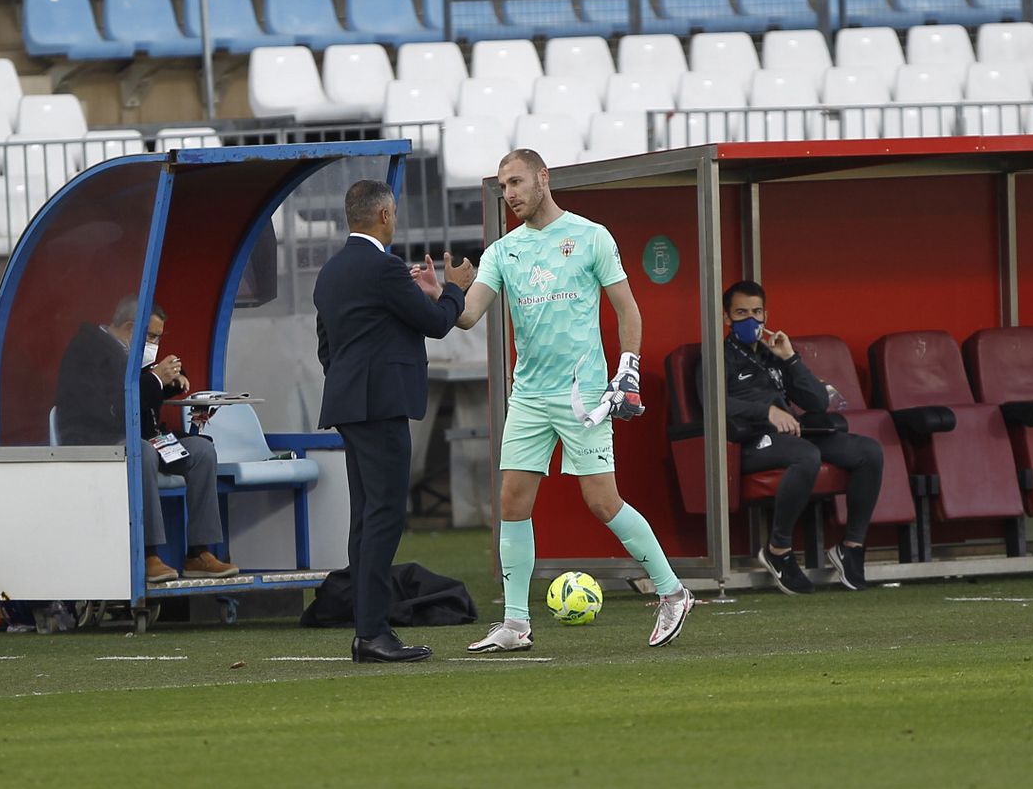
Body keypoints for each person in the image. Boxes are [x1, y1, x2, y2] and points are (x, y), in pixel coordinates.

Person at [455, 149, 695, 654]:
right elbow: (468, 317)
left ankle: (672, 592)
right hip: (529, 396)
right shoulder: (503, 251)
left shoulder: (591, 236)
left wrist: (626, 371)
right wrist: (444, 295)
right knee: (511, 502)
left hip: (582, 394)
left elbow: (629, 310)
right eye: (503, 187)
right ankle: (516, 623)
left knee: (602, 501)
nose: (510, 194)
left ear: (544, 178)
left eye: (517, 182)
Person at [313, 179, 473, 664]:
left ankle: (368, 629)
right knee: (383, 515)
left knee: (366, 517)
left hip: (348, 405)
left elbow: (327, 346)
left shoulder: (332, 271)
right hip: (380, 405)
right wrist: (452, 289)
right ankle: (373, 632)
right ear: (385, 215)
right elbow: (438, 324)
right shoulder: (383, 269)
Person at [55, 296, 236, 583]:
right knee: (143, 453)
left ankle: (199, 551)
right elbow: (114, 407)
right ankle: (149, 554)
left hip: (143, 436)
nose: (154, 344)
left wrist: (172, 379)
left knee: (201, 451)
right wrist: (155, 380)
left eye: (158, 338)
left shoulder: (127, 351)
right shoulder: (88, 350)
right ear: (130, 327)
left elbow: (141, 391)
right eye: (151, 336)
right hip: (97, 439)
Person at [718, 280, 882, 594]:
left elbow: (818, 402)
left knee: (868, 451)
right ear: (727, 318)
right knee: (806, 455)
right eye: (741, 313)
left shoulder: (774, 353)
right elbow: (714, 402)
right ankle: (778, 550)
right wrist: (765, 412)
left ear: (766, 314)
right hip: (748, 441)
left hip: (794, 434)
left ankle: (851, 548)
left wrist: (791, 357)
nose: (750, 320)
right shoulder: (717, 356)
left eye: (756, 312)